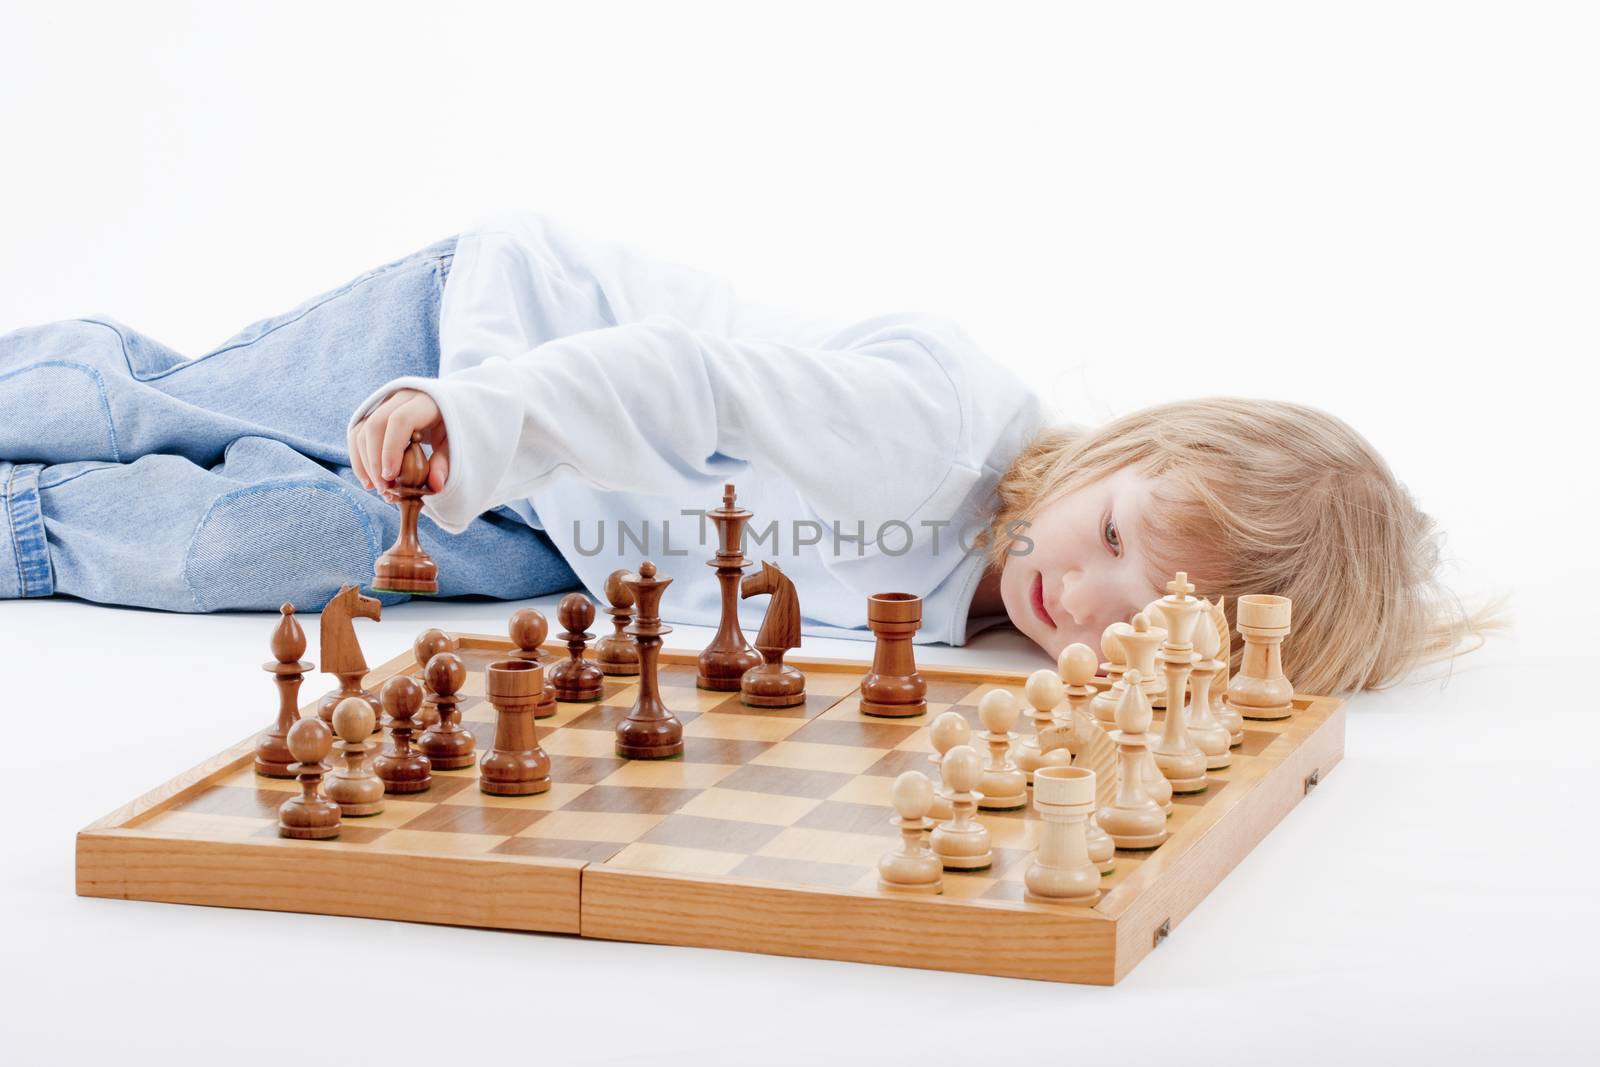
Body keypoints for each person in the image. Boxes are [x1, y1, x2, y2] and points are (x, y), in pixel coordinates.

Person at [0, 214, 1503, 695]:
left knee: (223, 551)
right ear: (1119, 451)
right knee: (175, 410)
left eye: (1153, 620)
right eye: (1114, 535)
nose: (1089, 605)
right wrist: (482, 421)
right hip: (499, 352)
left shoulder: (978, 629)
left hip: (577, 538)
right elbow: (684, 377)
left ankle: (26, 538)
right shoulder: (933, 429)